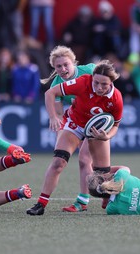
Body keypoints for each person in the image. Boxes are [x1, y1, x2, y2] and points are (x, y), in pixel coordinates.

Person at [27, 60, 123, 216]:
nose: (99, 87)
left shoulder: (116, 98)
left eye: (104, 84)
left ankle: (106, 194)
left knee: (100, 176)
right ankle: (40, 204)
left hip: (96, 131)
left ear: (112, 82)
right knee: (58, 162)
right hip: (75, 123)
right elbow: (50, 93)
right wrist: (53, 117)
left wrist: (107, 136)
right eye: (96, 82)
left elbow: (116, 125)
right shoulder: (83, 82)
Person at [40, 45, 96, 212]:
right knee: (87, 162)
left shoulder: (90, 70)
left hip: (98, 120)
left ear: (74, 63)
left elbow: (109, 84)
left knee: (86, 160)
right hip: (79, 122)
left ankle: (99, 195)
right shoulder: (56, 85)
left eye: (66, 64)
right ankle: (93, 198)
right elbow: (59, 115)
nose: (63, 69)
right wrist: (56, 122)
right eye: (58, 66)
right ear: (54, 68)